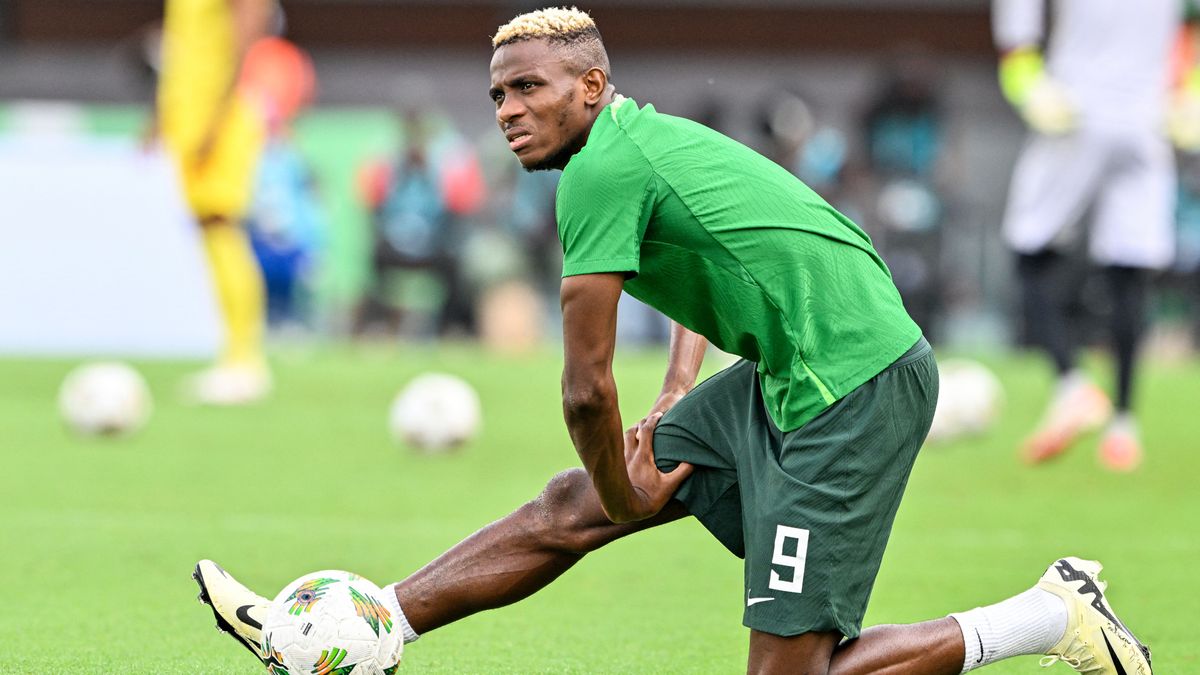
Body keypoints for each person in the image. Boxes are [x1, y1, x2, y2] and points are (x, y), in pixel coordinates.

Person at [194, 8, 1153, 674]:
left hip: (850, 387)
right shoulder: (639, 144)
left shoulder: (598, 176)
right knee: (573, 501)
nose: (509, 111)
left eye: (530, 89)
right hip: (793, 369)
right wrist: (677, 390)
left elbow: (582, 393)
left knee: (785, 663)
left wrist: (629, 487)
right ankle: (367, 627)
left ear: (592, 86)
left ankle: (1049, 614)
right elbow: (719, 266)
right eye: (497, 96)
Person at [994, 0, 1197, 470]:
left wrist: (1027, 82)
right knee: (1130, 272)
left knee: (1029, 250)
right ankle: (1124, 425)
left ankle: (1071, 386)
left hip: (1077, 109)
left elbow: (1017, 18)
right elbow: (1190, 26)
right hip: (1147, 120)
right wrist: (1189, 91)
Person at [154, 0, 275, 404]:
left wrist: (217, 116)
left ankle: (244, 362)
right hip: (190, 118)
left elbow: (250, 29)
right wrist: (161, 116)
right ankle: (233, 356)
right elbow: (183, 49)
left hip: (219, 117)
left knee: (222, 227)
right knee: (210, 232)